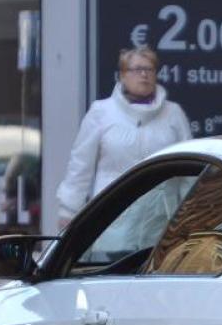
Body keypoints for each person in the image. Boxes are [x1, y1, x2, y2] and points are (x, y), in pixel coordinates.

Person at [55, 46, 192, 227]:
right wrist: (69, 209)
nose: (144, 75)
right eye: (137, 69)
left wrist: (191, 214)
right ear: (122, 75)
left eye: (149, 69)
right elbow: (80, 165)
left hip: (161, 222)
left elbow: (188, 170)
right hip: (113, 221)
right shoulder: (101, 112)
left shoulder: (173, 114)